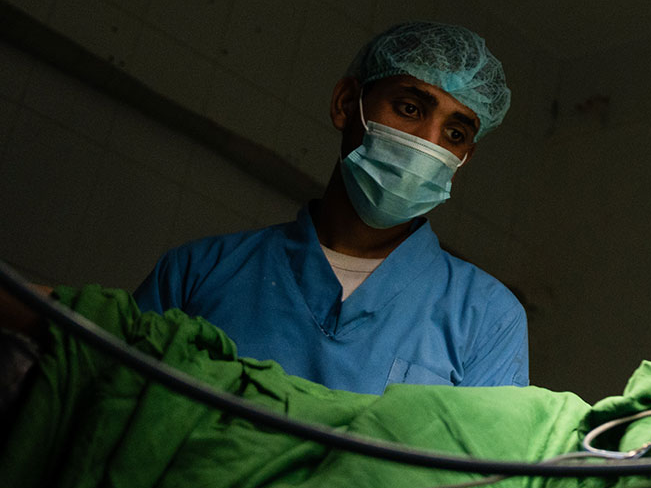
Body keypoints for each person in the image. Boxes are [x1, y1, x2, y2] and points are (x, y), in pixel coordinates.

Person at [135, 21, 528, 394]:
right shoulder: (199, 274)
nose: (428, 142)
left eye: (454, 133)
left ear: (464, 158)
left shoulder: (486, 317)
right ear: (346, 104)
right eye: (410, 109)